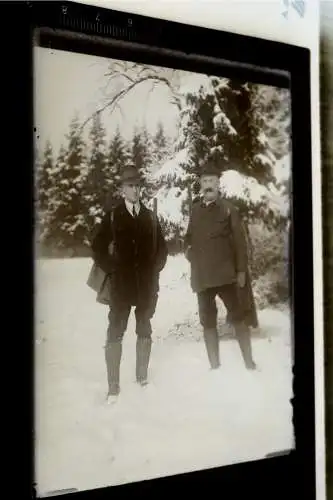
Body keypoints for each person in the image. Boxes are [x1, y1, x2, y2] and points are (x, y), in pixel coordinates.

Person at [91, 165, 168, 402]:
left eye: (138, 186)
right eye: (130, 186)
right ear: (122, 189)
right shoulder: (113, 216)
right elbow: (97, 247)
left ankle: (142, 377)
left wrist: (154, 270)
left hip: (145, 285)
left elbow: (162, 249)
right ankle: (113, 386)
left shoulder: (150, 216)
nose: (135, 190)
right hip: (121, 286)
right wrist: (112, 269)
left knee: (144, 327)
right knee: (116, 330)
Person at [184, 161, 257, 371]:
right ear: (200, 183)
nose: (208, 185)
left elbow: (240, 243)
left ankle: (249, 363)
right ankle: (214, 366)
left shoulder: (228, 210)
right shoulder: (195, 210)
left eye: (212, 181)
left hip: (227, 276)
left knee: (239, 317)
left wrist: (241, 270)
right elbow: (189, 237)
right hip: (203, 278)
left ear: (218, 184)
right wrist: (189, 251)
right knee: (207, 321)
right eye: (205, 181)